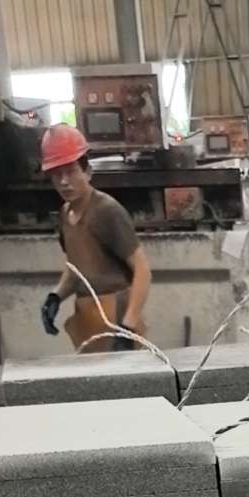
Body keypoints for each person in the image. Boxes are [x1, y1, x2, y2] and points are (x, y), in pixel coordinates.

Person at [38, 125, 151, 354]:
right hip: (87, 321)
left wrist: (127, 327)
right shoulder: (65, 214)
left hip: (115, 318)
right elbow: (76, 268)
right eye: (57, 174)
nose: (64, 181)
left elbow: (142, 271)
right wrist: (56, 296)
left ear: (87, 171)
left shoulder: (107, 211)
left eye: (70, 171)